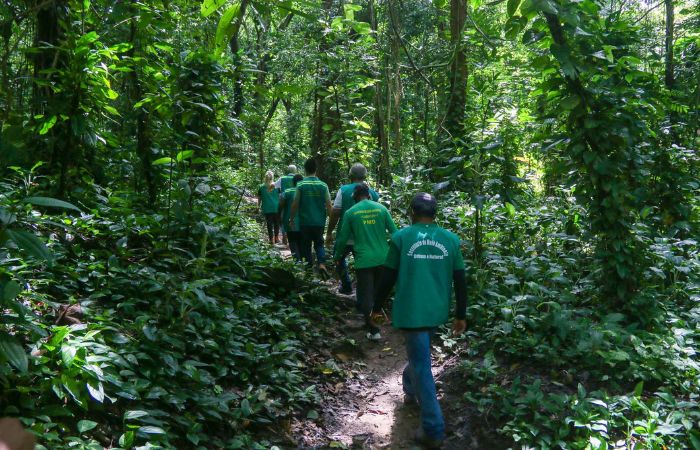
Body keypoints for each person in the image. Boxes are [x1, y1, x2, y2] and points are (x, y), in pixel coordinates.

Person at [370, 193, 467, 449]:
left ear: (412, 211)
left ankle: (433, 429)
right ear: (435, 213)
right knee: (419, 357)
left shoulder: (402, 237)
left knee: (422, 364)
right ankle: (410, 390)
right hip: (436, 310)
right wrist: (461, 314)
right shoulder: (450, 240)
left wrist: (376, 306)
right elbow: (460, 279)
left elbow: (388, 276)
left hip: (412, 311)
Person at [334, 184, 397, 340]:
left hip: (364, 260)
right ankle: (375, 325)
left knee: (367, 297)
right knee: (377, 295)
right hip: (384, 258)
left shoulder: (351, 212)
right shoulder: (381, 209)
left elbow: (342, 239)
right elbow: (395, 233)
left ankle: (374, 330)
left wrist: (336, 256)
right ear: (369, 195)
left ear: (355, 197)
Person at [326, 163, 380, 295]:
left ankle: (347, 285)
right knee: (362, 263)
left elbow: (336, 212)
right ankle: (362, 290)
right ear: (364, 176)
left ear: (350, 175)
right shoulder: (373, 194)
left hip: (344, 236)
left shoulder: (343, 190)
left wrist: (329, 232)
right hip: (364, 237)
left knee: (338, 258)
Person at [290, 158, 332, 274]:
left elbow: (295, 203)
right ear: (316, 169)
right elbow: (329, 205)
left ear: (305, 169)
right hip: (319, 221)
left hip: (305, 222)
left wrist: (292, 218)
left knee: (306, 246)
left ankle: (309, 272)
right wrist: (331, 221)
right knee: (319, 243)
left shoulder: (301, 184)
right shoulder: (323, 185)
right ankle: (322, 264)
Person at [279, 174, 304, 261]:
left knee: (293, 243)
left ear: (293, 182)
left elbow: (280, 205)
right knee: (301, 243)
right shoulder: (304, 192)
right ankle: (303, 263)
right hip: (303, 222)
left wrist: (279, 217)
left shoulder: (287, 192)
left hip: (290, 222)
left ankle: (297, 262)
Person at [275, 164, 298, 245]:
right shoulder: (298, 178)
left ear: (288, 170)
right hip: (296, 200)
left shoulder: (283, 178)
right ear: (295, 170)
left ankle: (284, 236)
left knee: (283, 218)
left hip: (284, 200)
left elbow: (274, 186)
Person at [257, 170, 280, 245]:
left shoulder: (261, 187)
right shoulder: (276, 186)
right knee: (276, 223)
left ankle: (271, 239)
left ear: (265, 177)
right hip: (276, 207)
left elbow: (259, 198)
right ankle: (276, 238)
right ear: (272, 177)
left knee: (269, 224)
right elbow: (280, 197)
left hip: (267, 208)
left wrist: (258, 207)